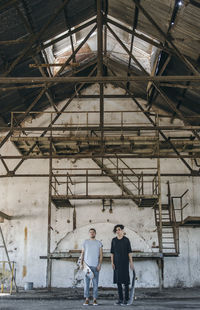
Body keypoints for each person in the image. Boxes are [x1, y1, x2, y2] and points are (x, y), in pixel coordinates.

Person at [111, 224, 134, 305]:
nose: (118, 231)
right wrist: (112, 262)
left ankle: (126, 299)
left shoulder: (126, 240)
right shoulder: (114, 240)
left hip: (125, 263)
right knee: (118, 282)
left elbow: (129, 252)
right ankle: (120, 299)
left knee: (126, 281)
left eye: (119, 229)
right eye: (116, 230)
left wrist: (131, 262)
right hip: (116, 263)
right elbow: (112, 253)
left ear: (122, 230)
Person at [81, 228, 103, 306]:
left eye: (93, 232)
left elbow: (101, 255)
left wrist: (99, 264)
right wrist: (81, 264)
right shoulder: (85, 242)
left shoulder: (99, 243)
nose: (92, 233)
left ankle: (95, 299)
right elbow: (82, 254)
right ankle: (87, 299)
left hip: (95, 266)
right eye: (90, 232)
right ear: (89, 233)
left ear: (95, 233)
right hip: (86, 266)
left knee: (95, 284)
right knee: (86, 284)